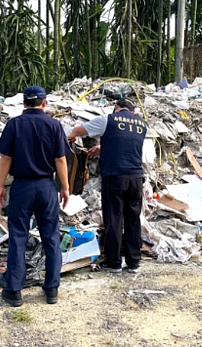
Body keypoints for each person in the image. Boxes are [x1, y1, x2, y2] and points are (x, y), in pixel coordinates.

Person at [0, 86, 71, 307]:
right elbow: (61, 161)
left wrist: (0, 185)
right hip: (47, 187)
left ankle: (14, 292)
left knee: (18, 238)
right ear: (44, 103)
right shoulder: (54, 125)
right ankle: (52, 289)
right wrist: (64, 188)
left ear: (24, 103)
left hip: (22, 187)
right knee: (51, 237)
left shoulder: (14, 125)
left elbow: (6, 158)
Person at [68, 98, 147, 273]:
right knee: (133, 219)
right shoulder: (142, 124)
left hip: (115, 176)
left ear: (116, 107)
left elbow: (80, 130)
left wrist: (71, 136)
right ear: (132, 112)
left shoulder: (107, 119)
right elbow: (125, 141)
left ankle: (114, 263)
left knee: (114, 218)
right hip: (136, 177)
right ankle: (134, 262)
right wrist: (102, 147)